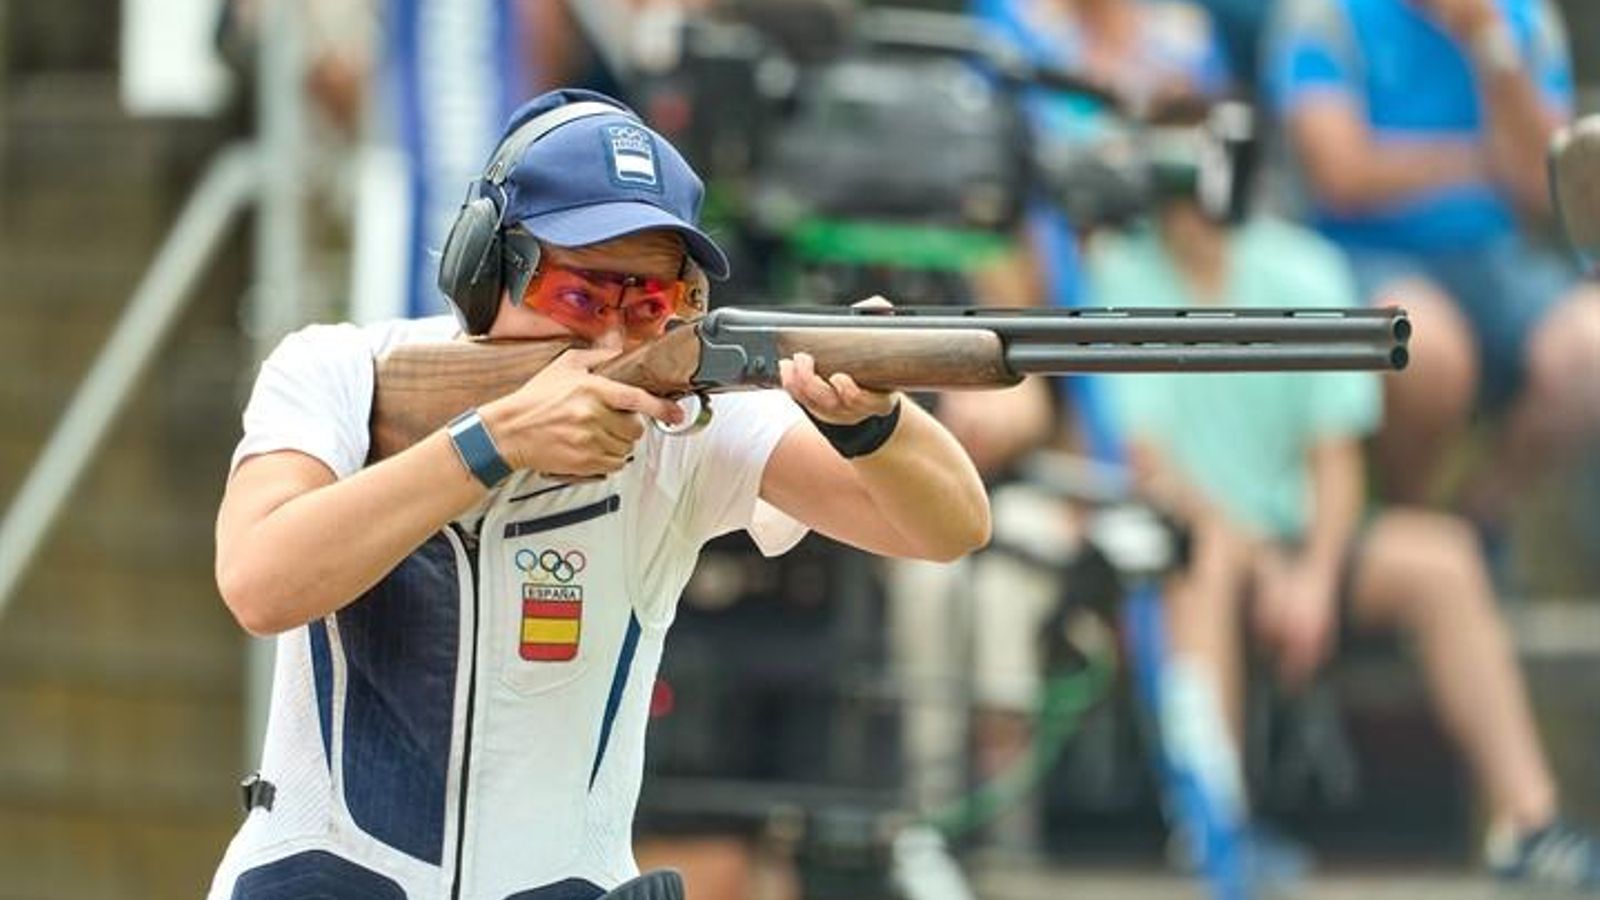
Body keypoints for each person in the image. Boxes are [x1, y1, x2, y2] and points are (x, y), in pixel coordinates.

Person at [205, 88, 990, 899]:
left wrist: (873, 422)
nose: (611, 339)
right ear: (484, 266)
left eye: (648, 305)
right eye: (579, 297)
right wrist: (489, 445)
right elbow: (260, 582)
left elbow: (948, 528)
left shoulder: (684, 423)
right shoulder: (340, 372)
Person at [1090, 173, 1600, 889]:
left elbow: (1336, 456)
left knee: (1444, 560)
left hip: (1300, 542)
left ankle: (1529, 825)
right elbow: (1146, 464)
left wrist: (1314, 577)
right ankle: (1215, 824)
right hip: (1184, 546)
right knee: (1202, 557)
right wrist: (1265, 564)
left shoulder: (1303, 264)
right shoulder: (1114, 272)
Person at [1264, 0, 1600, 530]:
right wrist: (1482, 160)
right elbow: (1342, 176)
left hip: (1496, 257)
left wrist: (1490, 46)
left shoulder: (1526, 19)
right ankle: (1413, 520)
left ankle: (1480, 518)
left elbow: (1544, 182)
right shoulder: (1325, 14)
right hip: (1362, 255)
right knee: (1424, 348)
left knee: (1592, 348)